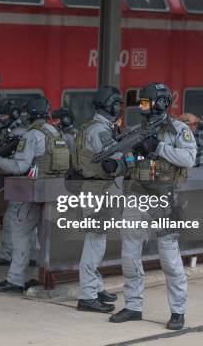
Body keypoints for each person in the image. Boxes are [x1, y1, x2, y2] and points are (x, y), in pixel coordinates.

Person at [110, 82, 196, 331]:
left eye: (146, 102)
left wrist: (158, 148)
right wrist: (119, 162)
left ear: (160, 103)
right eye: (141, 102)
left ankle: (178, 311)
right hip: (137, 196)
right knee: (129, 255)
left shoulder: (178, 129)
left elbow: (189, 158)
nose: (141, 106)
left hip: (164, 199)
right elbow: (130, 161)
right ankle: (133, 306)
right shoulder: (138, 130)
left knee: (169, 258)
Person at [0, 96, 70, 293]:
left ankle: (15, 280)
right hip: (54, 191)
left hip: (34, 192)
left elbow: (20, 166)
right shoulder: (56, 132)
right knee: (46, 237)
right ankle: (42, 278)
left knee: (20, 232)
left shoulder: (31, 134)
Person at [71, 87, 124, 313]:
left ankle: (95, 287)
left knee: (96, 242)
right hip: (96, 190)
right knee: (94, 244)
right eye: (117, 103)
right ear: (109, 105)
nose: (119, 107)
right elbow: (114, 159)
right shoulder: (100, 130)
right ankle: (87, 297)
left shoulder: (94, 126)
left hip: (94, 189)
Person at [0, 115, 38, 268]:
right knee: (29, 222)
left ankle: (7, 255)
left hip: (22, 186)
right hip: (35, 185)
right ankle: (31, 256)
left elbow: (18, 166)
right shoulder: (38, 135)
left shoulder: (23, 137)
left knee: (11, 220)